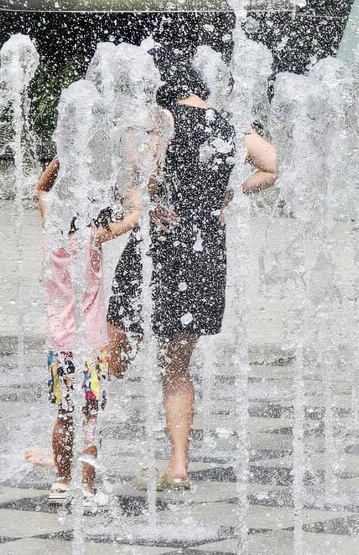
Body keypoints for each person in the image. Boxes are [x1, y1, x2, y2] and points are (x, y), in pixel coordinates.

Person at [106, 49, 279, 490]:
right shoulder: (231, 123)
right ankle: (179, 463)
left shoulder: (159, 120)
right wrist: (230, 193)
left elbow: (143, 180)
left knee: (112, 355)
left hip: (159, 245)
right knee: (177, 367)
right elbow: (272, 166)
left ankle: (76, 441)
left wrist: (142, 201)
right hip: (205, 252)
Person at [35, 158, 140, 507]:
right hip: (92, 347)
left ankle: (61, 482)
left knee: (64, 414)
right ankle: (88, 488)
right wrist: (130, 183)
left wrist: (61, 159)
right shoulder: (92, 237)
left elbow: (41, 188)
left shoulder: (52, 235)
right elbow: (134, 216)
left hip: (59, 346)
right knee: (91, 417)